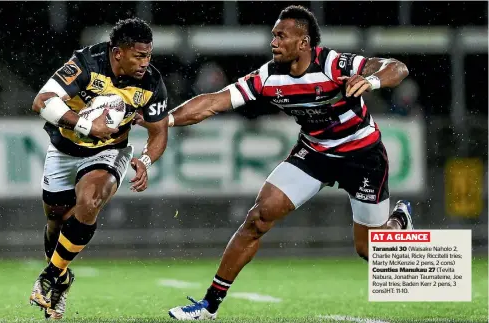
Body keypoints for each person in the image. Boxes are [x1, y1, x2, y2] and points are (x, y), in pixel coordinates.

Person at [159, 5, 412, 320]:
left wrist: (372, 81)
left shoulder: (333, 63)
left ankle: (397, 222)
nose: (273, 42)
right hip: (315, 154)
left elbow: (396, 67)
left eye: (281, 36)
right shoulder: (269, 75)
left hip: (363, 157)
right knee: (257, 218)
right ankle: (209, 305)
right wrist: (164, 120)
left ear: (304, 43)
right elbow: (213, 102)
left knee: (369, 251)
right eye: (273, 35)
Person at [29, 18, 169, 319]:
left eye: (149, 55)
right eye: (139, 56)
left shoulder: (151, 82)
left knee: (89, 200)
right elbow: (42, 101)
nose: (146, 63)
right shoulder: (85, 63)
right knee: (57, 219)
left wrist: (145, 160)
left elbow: (159, 132)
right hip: (64, 150)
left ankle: (51, 275)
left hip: (110, 151)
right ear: (118, 53)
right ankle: (63, 278)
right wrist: (85, 125)